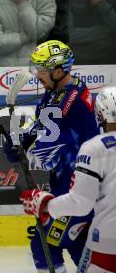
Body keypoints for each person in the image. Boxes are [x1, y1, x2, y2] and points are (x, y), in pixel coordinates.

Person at [2, 40, 100, 272]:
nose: (38, 76)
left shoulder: (68, 101)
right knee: (77, 247)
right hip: (72, 184)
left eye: (42, 71)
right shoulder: (62, 91)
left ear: (58, 71)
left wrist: (20, 146)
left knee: (44, 246)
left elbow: (48, 149)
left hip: (77, 188)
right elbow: (42, 126)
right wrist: (23, 140)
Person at [20, 86, 116, 273]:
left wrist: (44, 205)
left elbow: (81, 203)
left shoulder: (95, 148)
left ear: (101, 114)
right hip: (98, 231)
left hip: (107, 244)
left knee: (45, 245)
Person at [52, 0, 116, 65]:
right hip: (80, 60)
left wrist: (100, 3)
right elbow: (68, 35)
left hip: (110, 60)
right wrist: (106, 33)